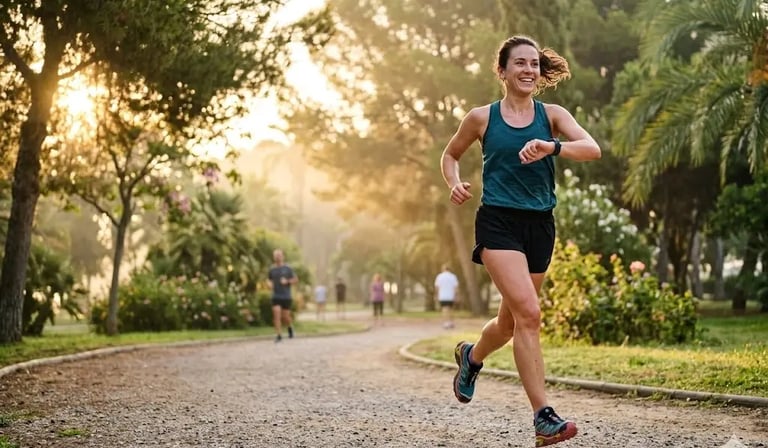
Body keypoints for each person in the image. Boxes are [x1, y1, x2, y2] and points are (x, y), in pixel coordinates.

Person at [440, 35, 600, 447]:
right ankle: (543, 418)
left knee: (510, 323)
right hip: (498, 223)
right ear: (503, 71)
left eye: (534, 64)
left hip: (539, 226)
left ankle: (471, 358)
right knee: (529, 314)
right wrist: (455, 183)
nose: (528, 70)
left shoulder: (551, 116)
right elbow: (451, 154)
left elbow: (592, 148)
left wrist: (552, 146)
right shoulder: (481, 118)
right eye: (520, 64)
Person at [267, 249, 298, 343]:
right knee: (276, 314)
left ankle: (290, 327)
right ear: (274, 257)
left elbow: (295, 279)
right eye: (276, 255)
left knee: (285, 317)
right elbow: (269, 279)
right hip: (276, 296)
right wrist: (269, 284)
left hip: (286, 296)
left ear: (283, 257)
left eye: (279, 255)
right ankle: (278, 335)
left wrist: (287, 281)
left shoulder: (288, 268)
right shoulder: (272, 269)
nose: (277, 257)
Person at [434, 264, 460, 329]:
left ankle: (446, 323)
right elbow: (456, 287)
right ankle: (451, 322)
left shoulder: (439, 276)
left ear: (443, 269)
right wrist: (457, 296)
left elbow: (437, 287)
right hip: (451, 295)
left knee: (444, 309)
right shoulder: (453, 276)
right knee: (451, 309)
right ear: (449, 269)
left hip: (442, 296)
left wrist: (436, 295)